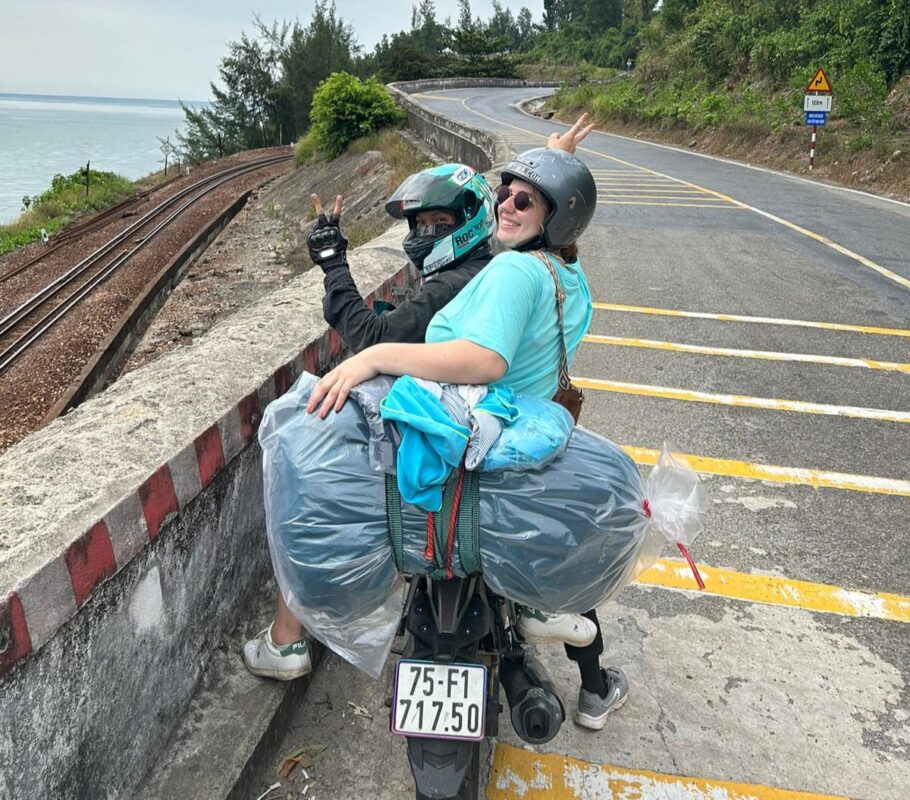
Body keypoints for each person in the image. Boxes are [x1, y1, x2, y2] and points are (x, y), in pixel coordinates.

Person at [305, 140, 629, 730]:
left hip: (479, 432)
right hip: (527, 441)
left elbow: (483, 360)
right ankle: (594, 685)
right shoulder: (567, 273)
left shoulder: (510, 270)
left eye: (524, 199)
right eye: (504, 191)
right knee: (565, 540)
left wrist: (371, 357)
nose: (506, 202)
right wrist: (552, 163)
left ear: (556, 217)